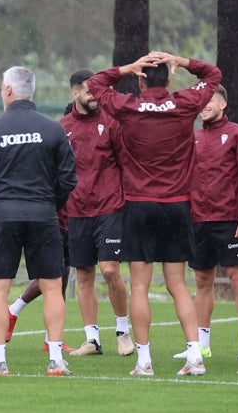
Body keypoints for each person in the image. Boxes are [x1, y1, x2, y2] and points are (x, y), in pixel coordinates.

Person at [87, 51, 220, 376]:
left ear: (142, 79)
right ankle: (195, 357)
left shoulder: (128, 107)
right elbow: (213, 75)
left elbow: (95, 83)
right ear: (170, 78)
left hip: (139, 205)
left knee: (141, 286)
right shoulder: (185, 103)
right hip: (176, 205)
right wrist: (182, 60)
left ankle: (144, 361)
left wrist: (126, 69)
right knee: (178, 285)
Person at [0, 67, 77, 377]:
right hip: (43, 216)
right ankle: (55, 360)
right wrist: (49, 202)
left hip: (4, 216)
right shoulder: (53, 129)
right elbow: (69, 177)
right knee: (53, 288)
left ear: (8, 90)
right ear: (32, 92)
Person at [59, 69, 133, 358]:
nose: (94, 97)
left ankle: (123, 331)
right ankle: (92, 340)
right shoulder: (62, 127)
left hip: (110, 207)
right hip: (77, 210)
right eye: (88, 92)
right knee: (84, 274)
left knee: (110, 270)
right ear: (74, 93)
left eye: (96, 92)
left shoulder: (111, 122)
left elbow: (125, 163)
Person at [184, 86, 238, 361]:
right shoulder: (192, 137)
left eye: (210, 100)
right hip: (197, 220)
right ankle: (201, 345)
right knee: (202, 280)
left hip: (229, 220)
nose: (204, 105)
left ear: (223, 104)